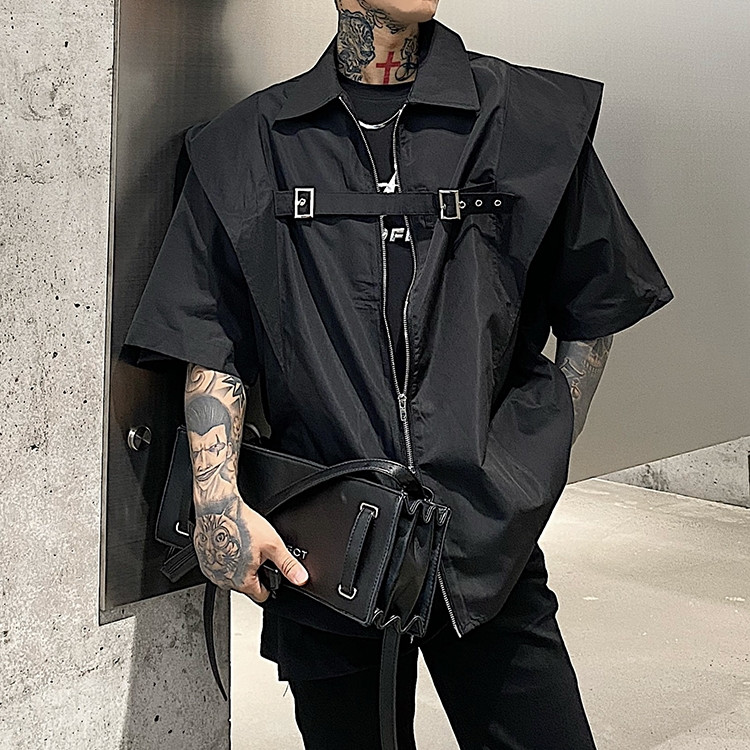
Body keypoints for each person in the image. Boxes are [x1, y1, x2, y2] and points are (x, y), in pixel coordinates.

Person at [122, 1, 674, 747]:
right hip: (323, 553)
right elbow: (209, 336)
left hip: (487, 545)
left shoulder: (526, 118)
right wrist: (219, 504)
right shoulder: (248, 144)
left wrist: (529, 460)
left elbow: (594, 303)